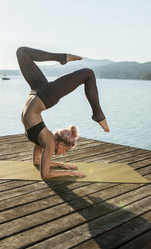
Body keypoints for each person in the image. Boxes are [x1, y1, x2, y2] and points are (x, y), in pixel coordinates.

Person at [17, 46, 109, 180]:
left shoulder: (43, 140)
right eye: (66, 150)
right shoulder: (49, 142)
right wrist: (70, 173)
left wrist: (60, 165)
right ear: (60, 144)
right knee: (88, 74)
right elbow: (46, 174)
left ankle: (62, 58)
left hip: (36, 91)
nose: (63, 153)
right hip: (45, 95)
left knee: (22, 52)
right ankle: (98, 115)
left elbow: (37, 162)